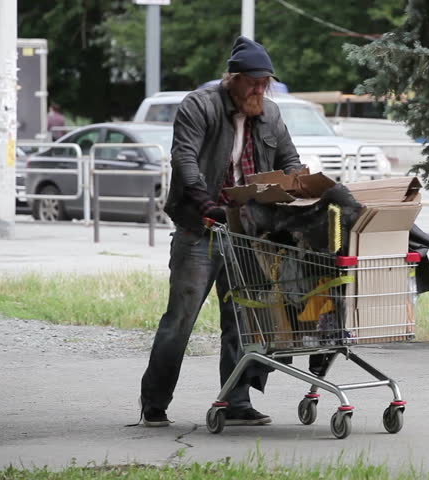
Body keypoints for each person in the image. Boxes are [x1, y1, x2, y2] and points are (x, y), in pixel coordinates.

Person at [139, 36, 303, 427]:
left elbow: (290, 161)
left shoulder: (271, 115)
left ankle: (236, 401)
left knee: (244, 318)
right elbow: (185, 157)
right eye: (253, 81)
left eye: (265, 82)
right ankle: (155, 402)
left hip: (248, 232)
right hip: (201, 229)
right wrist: (204, 201)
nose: (260, 89)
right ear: (232, 78)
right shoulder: (201, 105)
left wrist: (303, 191)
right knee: (181, 318)